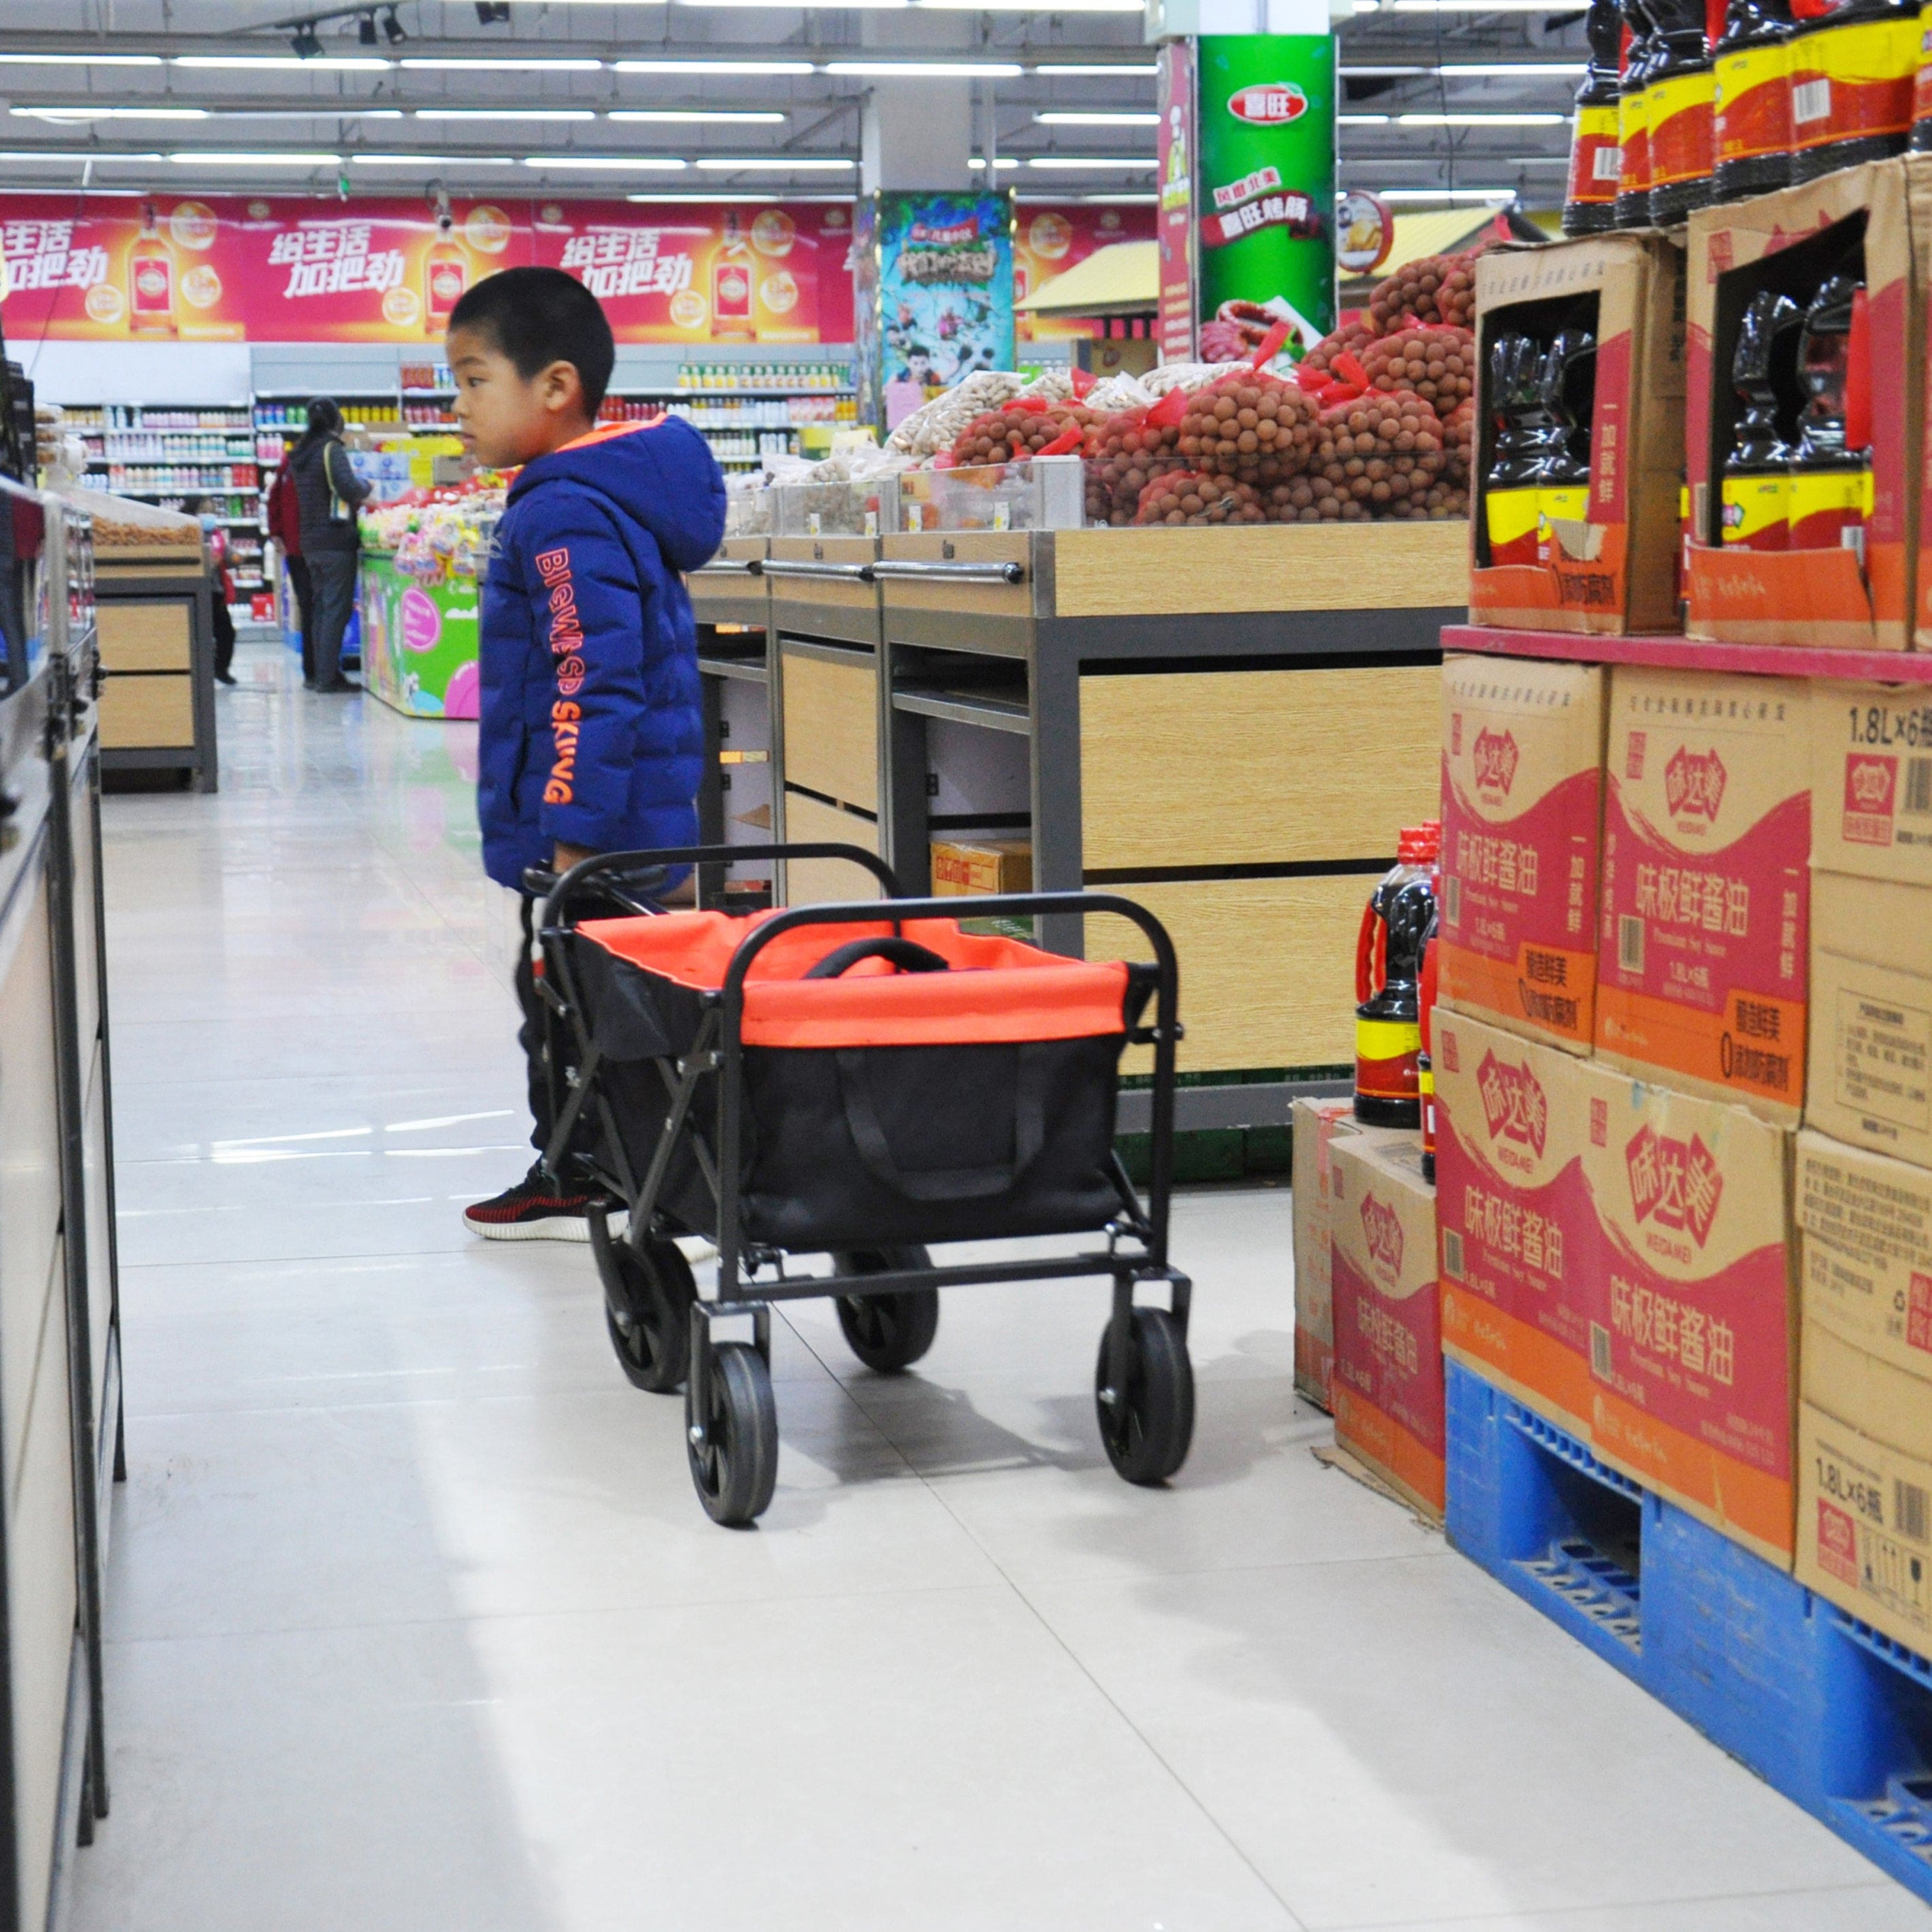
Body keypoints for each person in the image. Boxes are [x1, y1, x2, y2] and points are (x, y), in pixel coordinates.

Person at [449, 266, 725, 1242]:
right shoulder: (591, 496)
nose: (458, 407)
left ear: (554, 386)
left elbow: (588, 682)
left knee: (577, 1010)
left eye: (475, 379)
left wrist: (570, 840)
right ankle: (610, 1163)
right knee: (605, 1005)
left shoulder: (562, 510)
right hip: (632, 823)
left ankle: (589, 1171)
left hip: (599, 837)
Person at [290, 397, 368, 694]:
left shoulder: (302, 453)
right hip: (335, 540)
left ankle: (323, 673)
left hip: (310, 541)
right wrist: (366, 488)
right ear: (337, 420)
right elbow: (347, 487)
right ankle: (328, 678)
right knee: (336, 610)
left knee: (322, 610)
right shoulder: (331, 449)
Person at [264, 446, 313, 684]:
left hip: (295, 545)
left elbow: (273, 499)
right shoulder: (322, 457)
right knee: (318, 608)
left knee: (308, 606)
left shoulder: (289, 462)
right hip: (314, 546)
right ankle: (319, 669)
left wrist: (276, 533)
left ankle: (312, 670)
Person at [187, 496, 236, 686]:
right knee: (201, 634)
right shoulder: (189, 534)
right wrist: (206, 563)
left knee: (227, 633)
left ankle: (221, 668)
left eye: (211, 512)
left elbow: (230, 555)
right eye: (204, 511)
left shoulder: (217, 534)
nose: (209, 516)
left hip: (216, 592)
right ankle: (201, 672)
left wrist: (238, 558)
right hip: (198, 591)